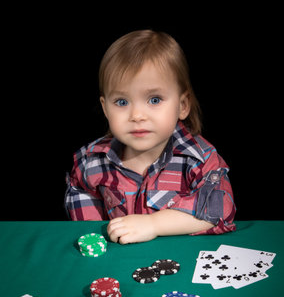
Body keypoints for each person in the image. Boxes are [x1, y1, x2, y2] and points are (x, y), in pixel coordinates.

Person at [65, 30, 236, 244]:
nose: (137, 116)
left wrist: (154, 224)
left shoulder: (200, 160)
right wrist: (97, 235)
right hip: (118, 263)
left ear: (182, 105)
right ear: (105, 108)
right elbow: (83, 207)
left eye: (154, 100)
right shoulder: (90, 162)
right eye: (122, 102)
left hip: (177, 263)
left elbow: (219, 211)